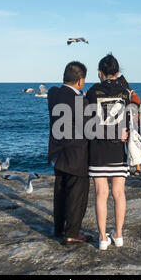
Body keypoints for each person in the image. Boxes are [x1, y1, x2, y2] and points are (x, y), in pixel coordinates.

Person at [86, 54, 130, 251]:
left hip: (98, 148)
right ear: (118, 73)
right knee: (119, 193)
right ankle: (118, 235)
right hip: (119, 147)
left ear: (99, 73)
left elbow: (87, 122)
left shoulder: (93, 92)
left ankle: (103, 238)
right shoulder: (125, 92)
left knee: (101, 193)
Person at [47, 61, 92, 245]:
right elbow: (90, 127)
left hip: (57, 152)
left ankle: (59, 229)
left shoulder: (53, 94)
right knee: (77, 194)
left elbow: (53, 90)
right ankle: (72, 233)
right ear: (80, 80)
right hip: (76, 153)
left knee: (60, 191)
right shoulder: (79, 101)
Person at [117, 75, 141, 176]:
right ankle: (131, 166)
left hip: (133, 123)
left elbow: (137, 106)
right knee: (128, 144)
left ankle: (138, 167)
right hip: (129, 122)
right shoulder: (128, 93)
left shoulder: (131, 94)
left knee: (134, 144)